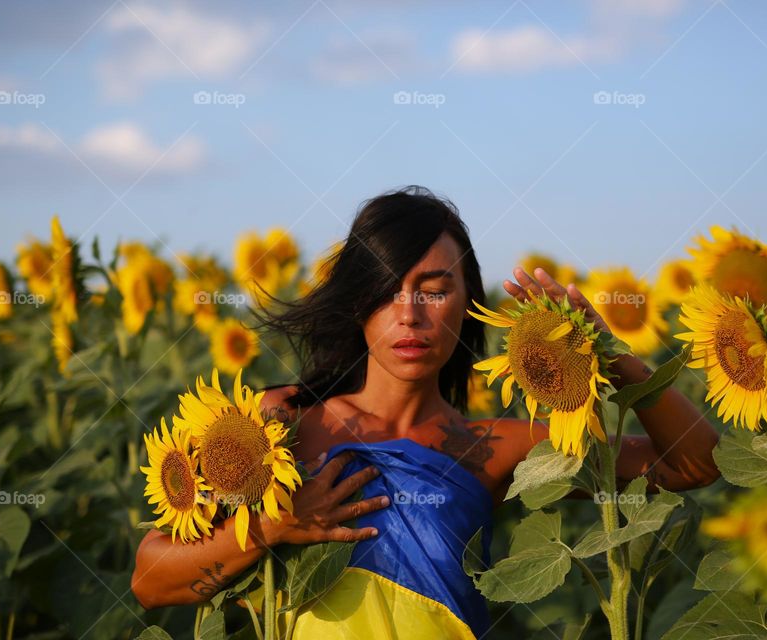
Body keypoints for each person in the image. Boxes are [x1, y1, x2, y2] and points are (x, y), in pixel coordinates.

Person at [131, 185, 720, 638]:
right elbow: (152, 581)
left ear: (469, 306)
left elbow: (693, 466)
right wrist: (272, 528)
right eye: (387, 291)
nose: (408, 314)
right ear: (358, 303)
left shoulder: (498, 448)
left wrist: (610, 354)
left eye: (434, 290)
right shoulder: (277, 423)